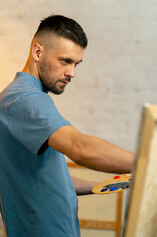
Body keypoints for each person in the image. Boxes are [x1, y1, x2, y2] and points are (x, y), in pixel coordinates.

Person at [0, 15, 134, 237]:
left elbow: (42, 174)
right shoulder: (25, 99)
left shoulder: (21, 98)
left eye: (76, 63)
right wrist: (150, 166)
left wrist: (95, 186)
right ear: (37, 52)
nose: (72, 73)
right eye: (65, 61)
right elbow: (79, 147)